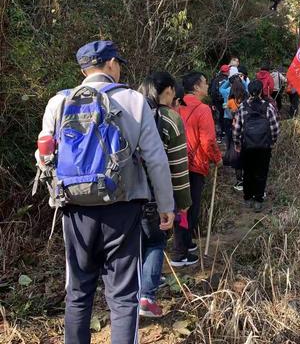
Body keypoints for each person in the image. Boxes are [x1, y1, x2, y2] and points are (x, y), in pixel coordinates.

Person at [36, 40, 175, 344]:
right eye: (118, 62)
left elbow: (44, 157)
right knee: (124, 296)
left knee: (78, 292)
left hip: (75, 210)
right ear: (111, 64)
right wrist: (166, 205)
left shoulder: (58, 103)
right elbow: (155, 159)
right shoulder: (134, 101)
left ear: (82, 68)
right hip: (123, 208)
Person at [137, 72, 192, 317]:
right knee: (155, 241)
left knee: (132, 245)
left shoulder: (129, 113)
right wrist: (182, 203)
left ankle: (126, 299)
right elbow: (178, 166)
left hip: (123, 196)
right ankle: (146, 296)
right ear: (168, 91)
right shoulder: (170, 118)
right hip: (155, 195)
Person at [176, 72, 222, 266]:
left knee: (181, 205)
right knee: (189, 208)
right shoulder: (202, 109)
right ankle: (180, 252)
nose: (207, 85)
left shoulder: (175, 104)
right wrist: (217, 159)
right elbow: (208, 140)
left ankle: (186, 242)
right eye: (204, 83)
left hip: (175, 163)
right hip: (194, 164)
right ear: (196, 87)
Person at [233, 80, 279, 212]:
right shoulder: (268, 107)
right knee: (261, 172)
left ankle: (248, 197)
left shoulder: (242, 107)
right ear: (261, 91)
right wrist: (272, 142)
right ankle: (258, 200)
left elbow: (236, 128)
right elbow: (275, 127)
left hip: (247, 145)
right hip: (264, 146)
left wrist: (237, 143)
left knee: (248, 171)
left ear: (248, 91)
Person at [208, 64, 229, 143]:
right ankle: (226, 135)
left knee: (218, 119)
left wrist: (212, 103)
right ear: (227, 71)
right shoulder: (228, 80)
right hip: (226, 102)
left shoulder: (215, 79)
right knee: (226, 117)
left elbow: (212, 92)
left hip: (217, 102)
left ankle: (219, 136)